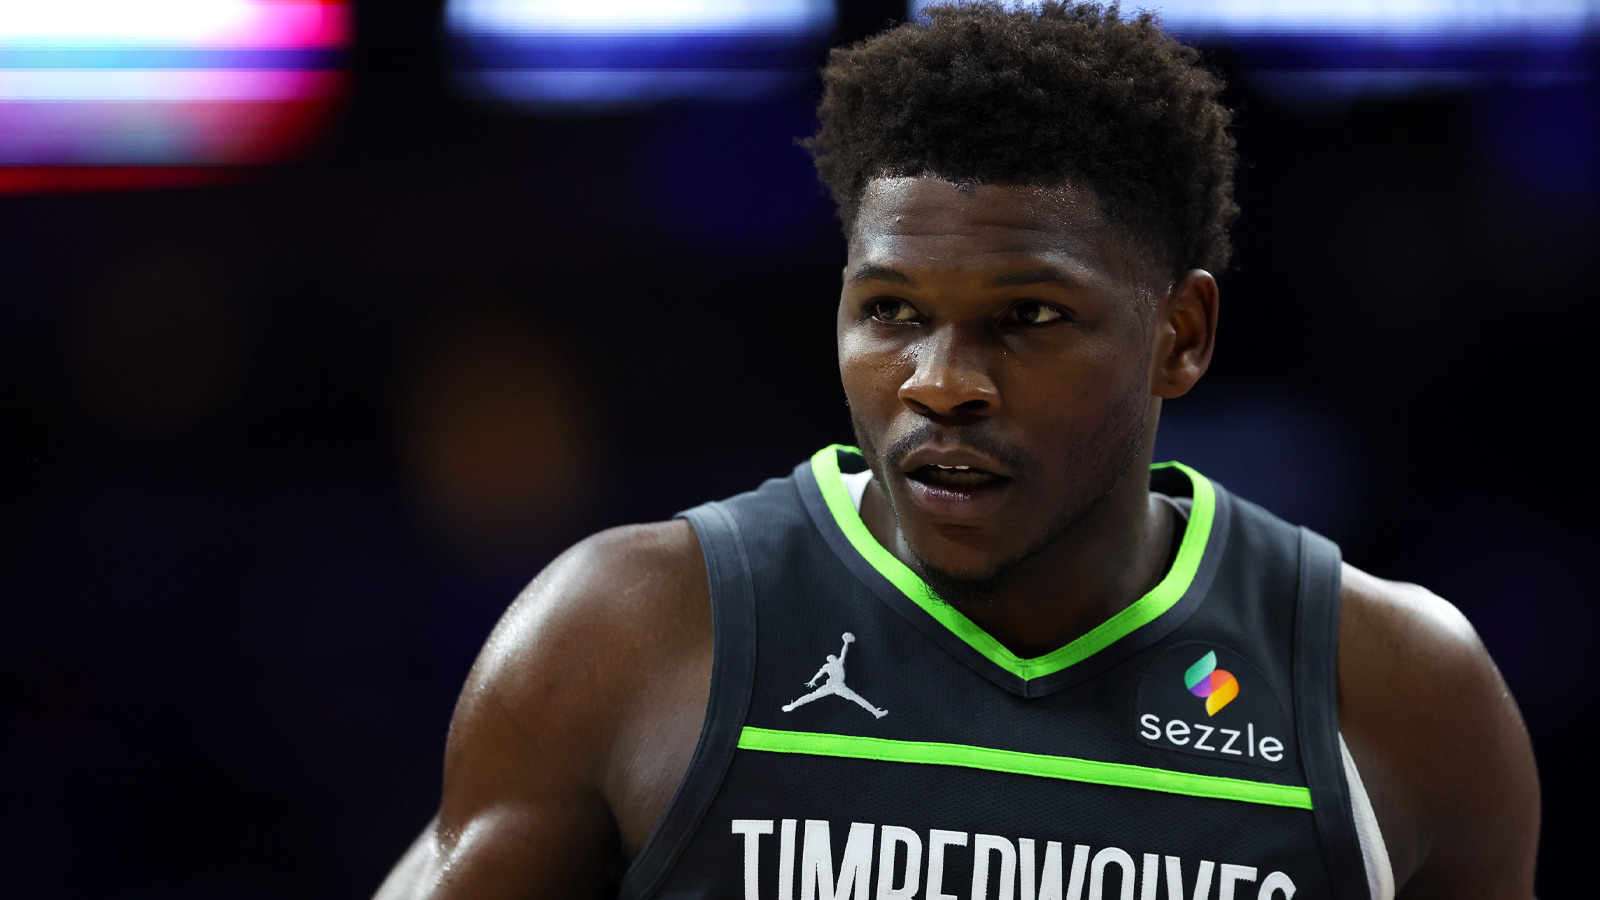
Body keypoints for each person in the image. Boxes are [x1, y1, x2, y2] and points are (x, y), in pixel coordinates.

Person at [376, 4, 1539, 898]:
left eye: (1029, 317)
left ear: (1177, 338)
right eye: (890, 312)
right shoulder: (626, 634)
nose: (939, 381)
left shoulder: (1398, 690)